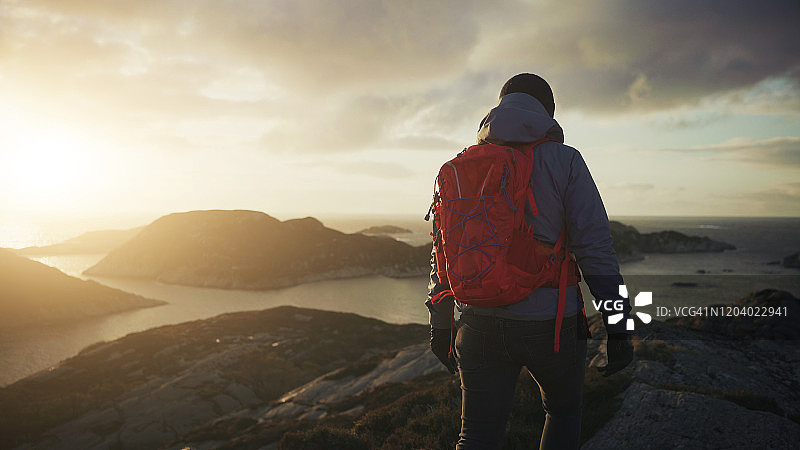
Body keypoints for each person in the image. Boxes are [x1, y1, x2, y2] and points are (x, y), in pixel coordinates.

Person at [427, 73, 633, 450]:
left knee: (475, 436)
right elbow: (596, 250)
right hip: (550, 325)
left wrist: (440, 324)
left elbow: (443, 247)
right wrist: (619, 328)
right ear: (547, 114)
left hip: (478, 320)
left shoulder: (463, 165)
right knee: (562, 412)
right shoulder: (566, 161)